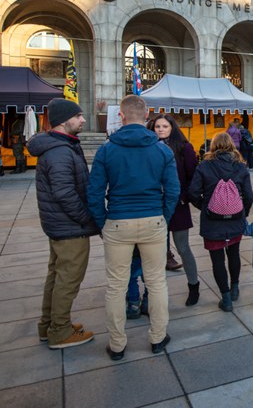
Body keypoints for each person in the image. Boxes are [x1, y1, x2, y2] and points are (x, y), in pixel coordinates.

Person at [87, 95, 180, 361]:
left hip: (117, 220)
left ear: (121, 116)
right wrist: (163, 216)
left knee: (116, 286)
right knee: (157, 281)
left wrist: (102, 221)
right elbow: (173, 190)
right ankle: (158, 337)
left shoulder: (107, 149)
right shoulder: (162, 150)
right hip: (152, 219)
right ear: (148, 115)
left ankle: (117, 344)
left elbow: (94, 192)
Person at [27, 99, 99, 349]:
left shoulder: (60, 146)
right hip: (69, 227)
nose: (83, 120)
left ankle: (50, 325)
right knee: (68, 280)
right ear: (63, 120)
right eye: (78, 116)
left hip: (59, 225)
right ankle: (59, 331)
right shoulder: (59, 151)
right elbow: (65, 193)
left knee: (56, 277)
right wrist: (86, 218)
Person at [189, 132, 253, 311]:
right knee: (234, 254)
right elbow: (249, 195)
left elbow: (193, 192)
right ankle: (234, 288)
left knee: (217, 260)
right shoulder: (241, 167)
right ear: (232, 146)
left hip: (212, 222)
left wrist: (205, 206)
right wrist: (243, 213)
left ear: (213, 146)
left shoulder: (204, 166)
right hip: (235, 220)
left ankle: (226, 299)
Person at [147, 113, 200, 305]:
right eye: (157, 127)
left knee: (183, 247)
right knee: (154, 252)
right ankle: (152, 295)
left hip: (178, 204)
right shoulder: (148, 148)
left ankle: (194, 286)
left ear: (172, 128)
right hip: (154, 206)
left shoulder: (183, 148)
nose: (160, 129)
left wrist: (185, 197)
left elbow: (193, 176)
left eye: (164, 126)